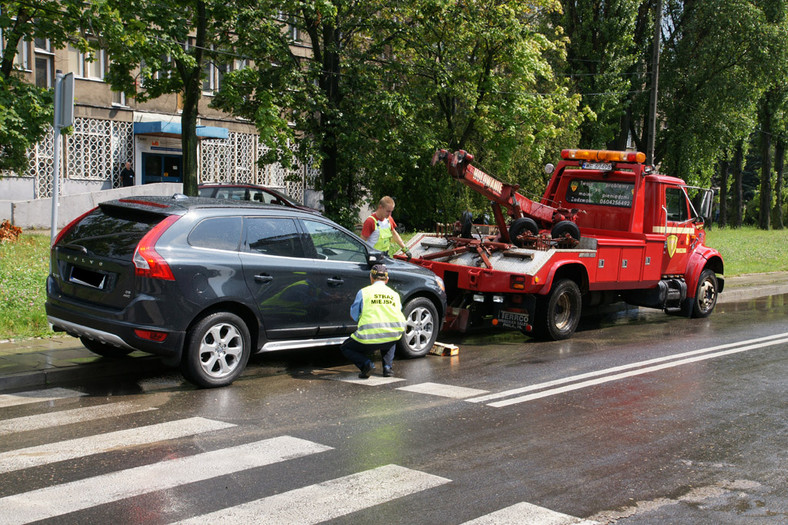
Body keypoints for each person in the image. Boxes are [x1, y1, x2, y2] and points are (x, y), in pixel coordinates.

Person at [341, 264, 406, 379]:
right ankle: (387, 368)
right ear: (387, 280)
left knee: (346, 347)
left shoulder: (363, 292)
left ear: (371, 277)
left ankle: (366, 364)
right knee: (391, 336)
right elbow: (398, 311)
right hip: (392, 337)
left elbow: (354, 315)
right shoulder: (395, 295)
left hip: (368, 338)